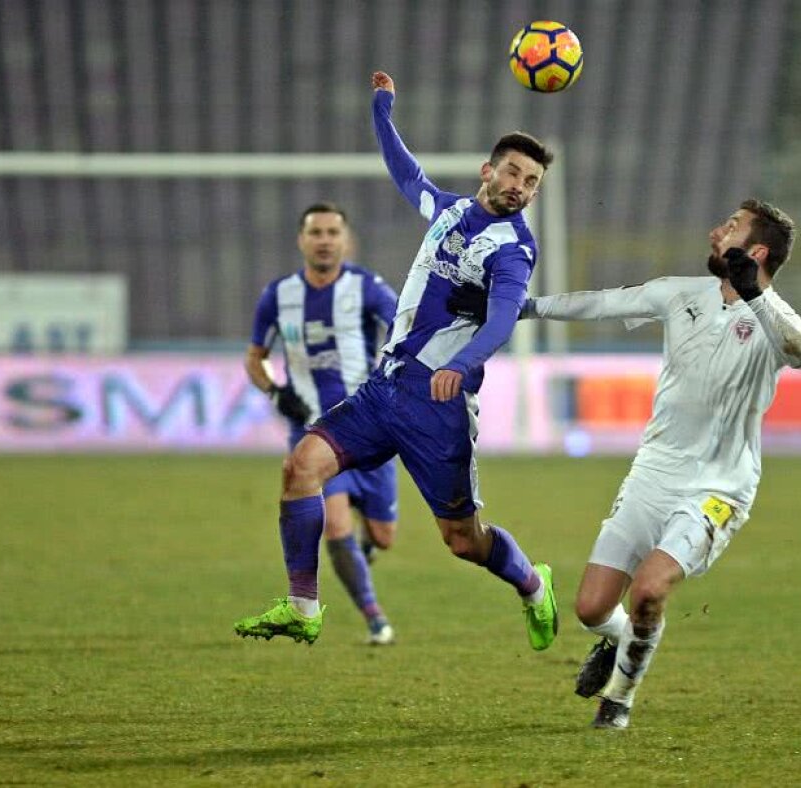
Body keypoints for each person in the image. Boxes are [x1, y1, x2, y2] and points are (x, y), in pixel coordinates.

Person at [454, 200, 801, 728]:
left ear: (756, 250)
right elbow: (598, 303)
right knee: (591, 608)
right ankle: (620, 639)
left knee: (649, 590)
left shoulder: (773, 317)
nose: (716, 231)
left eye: (732, 227)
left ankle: (619, 698)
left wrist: (757, 295)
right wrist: (516, 308)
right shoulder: (682, 294)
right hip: (653, 473)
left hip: (718, 484)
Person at [233, 71, 559, 652]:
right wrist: (383, 110)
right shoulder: (447, 211)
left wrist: (463, 363)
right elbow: (405, 171)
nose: (520, 186)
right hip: (384, 389)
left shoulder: (513, 249)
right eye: (513, 172)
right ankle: (304, 607)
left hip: (439, 405)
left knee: (461, 540)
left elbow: (504, 318)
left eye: (531, 181)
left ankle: (534, 586)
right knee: (298, 469)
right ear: (488, 171)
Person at [234, 202, 400, 646]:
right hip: (314, 433)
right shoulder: (278, 295)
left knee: (384, 537)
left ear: (345, 241)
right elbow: (254, 359)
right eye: (316, 232)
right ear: (301, 240)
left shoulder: (365, 288)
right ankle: (374, 618)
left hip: (368, 427)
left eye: (332, 232)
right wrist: (274, 391)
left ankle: (363, 555)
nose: (324, 240)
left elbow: (404, 326)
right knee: (337, 526)